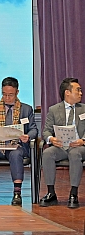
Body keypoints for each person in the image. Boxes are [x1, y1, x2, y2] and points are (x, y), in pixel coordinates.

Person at [0, 76, 36, 206]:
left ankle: (17, 193)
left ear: (17, 92)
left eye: (10, 95)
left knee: (16, 154)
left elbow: (33, 129)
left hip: (15, 145)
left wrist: (27, 136)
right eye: (4, 94)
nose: (7, 98)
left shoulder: (26, 109)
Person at [40, 77, 85, 209]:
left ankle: (73, 193)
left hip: (79, 146)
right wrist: (51, 139)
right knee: (48, 153)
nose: (81, 93)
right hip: (61, 146)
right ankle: (51, 193)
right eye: (78, 90)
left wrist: (83, 140)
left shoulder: (84, 109)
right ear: (67, 92)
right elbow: (46, 131)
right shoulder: (54, 109)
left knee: (75, 153)